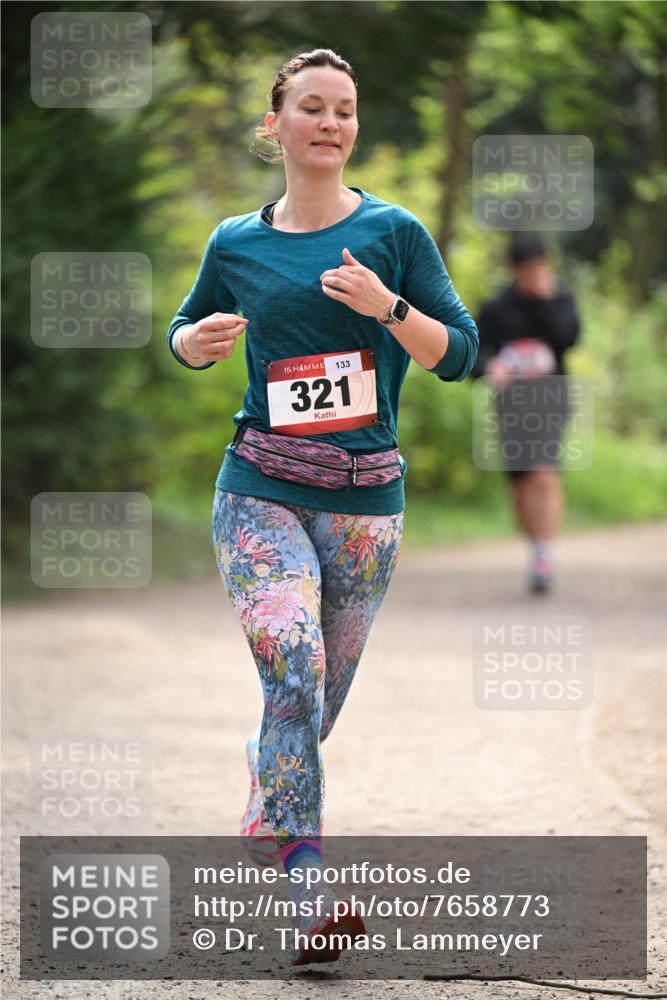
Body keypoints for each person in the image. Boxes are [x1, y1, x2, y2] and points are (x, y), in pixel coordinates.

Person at [166, 47, 478, 965]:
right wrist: (195, 341)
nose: (330, 123)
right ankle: (311, 897)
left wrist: (388, 309)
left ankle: (268, 774)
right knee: (293, 665)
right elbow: (184, 333)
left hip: (365, 503)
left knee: (311, 700)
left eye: (343, 109)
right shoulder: (236, 241)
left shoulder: (393, 234)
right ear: (276, 125)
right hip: (258, 488)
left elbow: (457, 354)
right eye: (311, 107)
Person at [473, 234, 581, 593]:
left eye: (540, 266)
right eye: (528, 269)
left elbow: (570, 337)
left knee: (544, 472)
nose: (536, 274)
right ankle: (535, 543)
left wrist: (548, 300)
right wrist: (490, 368)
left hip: (551, 399)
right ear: (515, 270)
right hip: (511, 405)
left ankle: (545, 553)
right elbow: (471, 349)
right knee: (520, 483)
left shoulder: (559, 298)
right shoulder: (497, 307)